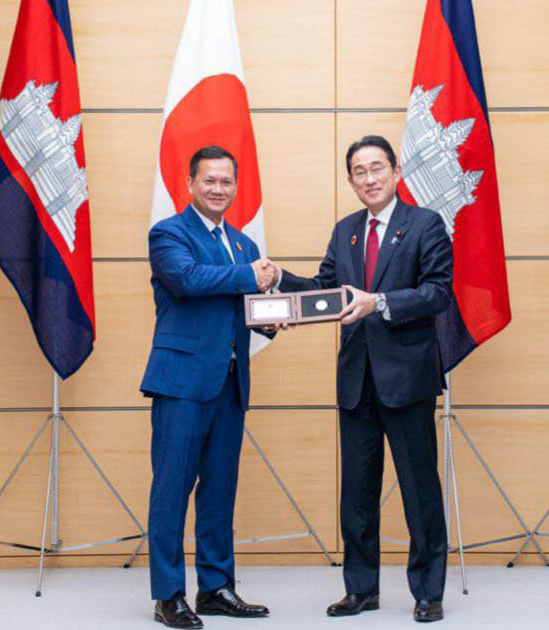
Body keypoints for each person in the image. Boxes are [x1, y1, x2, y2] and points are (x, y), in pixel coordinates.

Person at [273, 135, 453, 623]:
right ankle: (361, 590)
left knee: (419, 489)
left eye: (377, 168)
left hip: (407, 380)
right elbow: (324, 290)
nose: (369, 178)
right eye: (359, 171)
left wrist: (381, 303)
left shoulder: (425, 224)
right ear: (350, 180)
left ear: (396, 172)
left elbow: (438, 293)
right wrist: (279, 283)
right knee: (356, 493)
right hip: (356, 381)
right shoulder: (345, 231)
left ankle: (428, 591)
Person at [140, 145, 279, 629]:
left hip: (230, 383)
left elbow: (243, 307)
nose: (218, 189)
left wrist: (271, 320)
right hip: (181, 383)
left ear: (236, 186)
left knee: (220, 489)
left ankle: (216, 588)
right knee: (172, 489)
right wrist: (249, 277)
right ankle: (168, 595)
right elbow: (187, 279)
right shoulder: (168, 233)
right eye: (209, 181)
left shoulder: (242, 245)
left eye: (226, 181)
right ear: (190, 184)